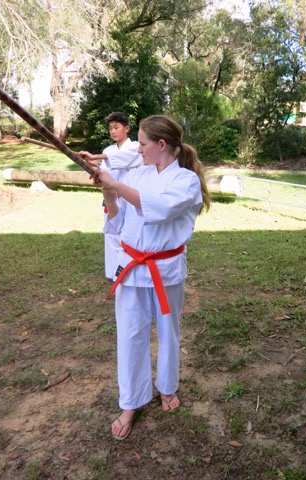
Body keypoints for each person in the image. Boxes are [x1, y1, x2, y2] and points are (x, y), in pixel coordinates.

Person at [92, 114, 210, 441]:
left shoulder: (185, 181)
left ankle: (167, 386)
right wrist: (109, 193)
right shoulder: (139, 175)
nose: (139, 150)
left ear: (161, 144)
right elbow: (119, 221)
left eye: (142, 144)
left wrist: (115, 184)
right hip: (132, 267)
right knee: (130, 334)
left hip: (165, 270)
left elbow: (158, 208)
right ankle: (131, 402)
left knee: (168, 333)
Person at [79, 112, 143, 280]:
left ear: (127, 128)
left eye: (116, 127)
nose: (113, 131)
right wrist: (95, 167)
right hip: (112, 199)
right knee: (112, 234)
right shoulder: (108, 150)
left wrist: (95, 156)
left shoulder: (135, 147)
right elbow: (106, 173)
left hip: (130, 199)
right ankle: (114, 273)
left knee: (128, 235)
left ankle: (128, 272)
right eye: (110, 128)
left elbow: (122, 158)